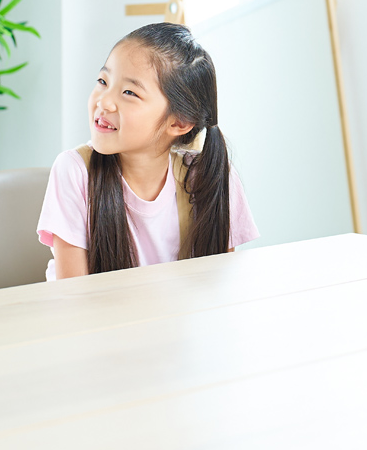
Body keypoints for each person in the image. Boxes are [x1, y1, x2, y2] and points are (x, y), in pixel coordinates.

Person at [38, 22, 258, 278]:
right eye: (103, 81)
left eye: (129, 92)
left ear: (178, 122)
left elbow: (221, 284)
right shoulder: (74, 171)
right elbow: (73, 298)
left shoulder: (210, 175)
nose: (104, 101)